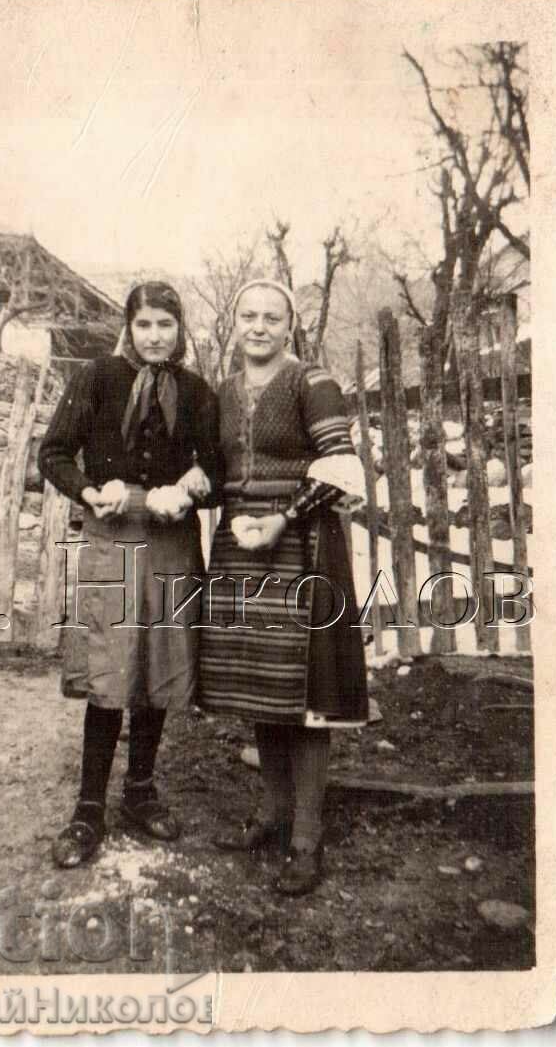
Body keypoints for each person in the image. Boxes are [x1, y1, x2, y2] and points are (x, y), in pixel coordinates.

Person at [39, 282, 220, 868]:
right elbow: (53, 453)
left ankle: (140, 791)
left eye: (166, 324)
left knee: (158, 665)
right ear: (128, 327)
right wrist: (91, 491)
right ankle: (88, 808)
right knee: (111, 668)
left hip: (171, 540)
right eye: (144, 324)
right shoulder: (97, 378)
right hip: (112, 536)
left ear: (180, 328)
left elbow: (217, 465)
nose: (155, 336)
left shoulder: (197, 392)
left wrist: (190, 487)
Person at [199, 279, 368, 897]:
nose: (259, 326)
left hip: (302, 545)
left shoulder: (311, 382)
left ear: (289, 325)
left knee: (305, 691)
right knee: (259, 684)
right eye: (249, 315)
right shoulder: (223, 392)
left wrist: (284, 518)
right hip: (238, 547)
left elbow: (339, 465)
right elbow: (217, 470)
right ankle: (271, 812)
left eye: (272, 317)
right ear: (235, 323)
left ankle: (306, 836)